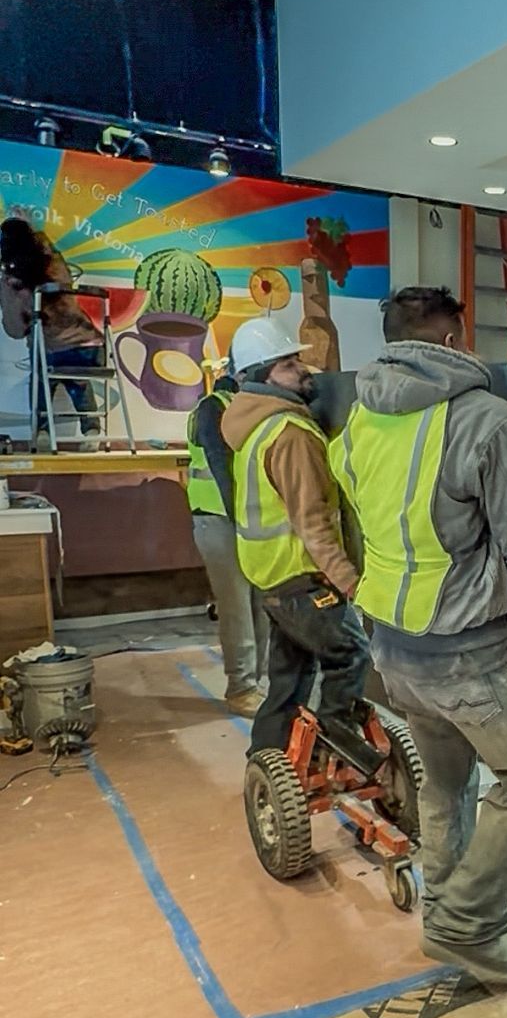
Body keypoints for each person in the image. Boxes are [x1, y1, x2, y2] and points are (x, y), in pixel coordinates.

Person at [330, 285, 507, 987]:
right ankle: (465, 924)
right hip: (469, 650)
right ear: (448, 341)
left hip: (395, 648)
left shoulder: (358, 422)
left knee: (445, 782)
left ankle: (444, 901)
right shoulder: (486, 421)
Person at [220, 315, 375, 772]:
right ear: (265, 376)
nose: (304, 370)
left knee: (288, 679)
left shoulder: (252, 428)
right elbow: (312, 522)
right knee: (349, 654)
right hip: (303, 577)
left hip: (271, 577)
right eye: (289, 363)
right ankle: (336, 754)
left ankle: (266, 764)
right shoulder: (290, 434)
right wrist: (348, 580)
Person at [186, 364, 269, 717]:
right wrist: (243, 521)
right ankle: (241, 688)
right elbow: (222, 468)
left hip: (247, 520)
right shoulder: (213, 407)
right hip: (219, 520)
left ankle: (258, 682)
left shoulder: (246, 407)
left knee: (261, 607)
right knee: (237, 609)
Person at [0, 216, 102, 443]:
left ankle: (43, 431)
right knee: (79, 378)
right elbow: (53, 256)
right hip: (92, 350)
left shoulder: (11, 282)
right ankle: (92, 428)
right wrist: (38, 234)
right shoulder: (53, 262)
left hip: (52, 352)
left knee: (41, 376)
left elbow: (15, 329)